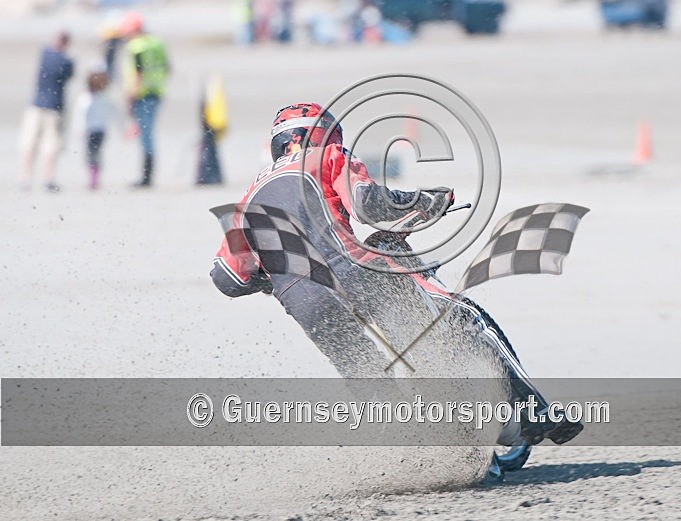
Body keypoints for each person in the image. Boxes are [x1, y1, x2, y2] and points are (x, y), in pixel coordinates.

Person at [209, 103, 583, 477]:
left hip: (304, 300)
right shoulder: (326, 155)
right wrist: (430, 201)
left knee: (371, 379)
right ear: (322, 133)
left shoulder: (246, 199)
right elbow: (368, 204)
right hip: (353, 269)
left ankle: (424, 461)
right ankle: (534, 412)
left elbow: (229, 278)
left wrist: (277, 278)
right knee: (464, 320)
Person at [18, 31, 74, 192]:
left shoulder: (46, 53)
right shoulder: (65, 60)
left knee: (31, 143)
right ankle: (46, 179)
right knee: (48, 145)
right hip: (52, 107)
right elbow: (69, 75)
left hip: (38, 105)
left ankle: (26, 178)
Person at [120, 11, 170, 187]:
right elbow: (167, 67)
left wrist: (131, 97)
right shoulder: (156, 42)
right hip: (156, 92)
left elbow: (138, 73)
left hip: (142, 95)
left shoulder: (136, 47)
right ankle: (147, 176)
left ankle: (146, 178)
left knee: (145, 136)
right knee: (147, 134)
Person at [74, 71, 120, 190]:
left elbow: (81, 115)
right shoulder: (104, 98)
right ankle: (95, 177)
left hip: (92, 130)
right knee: (96, 153)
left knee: (91, 154)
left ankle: (93, 178)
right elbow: (116, 113)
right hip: (100, 130)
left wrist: (80, 129)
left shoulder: (86, 98)